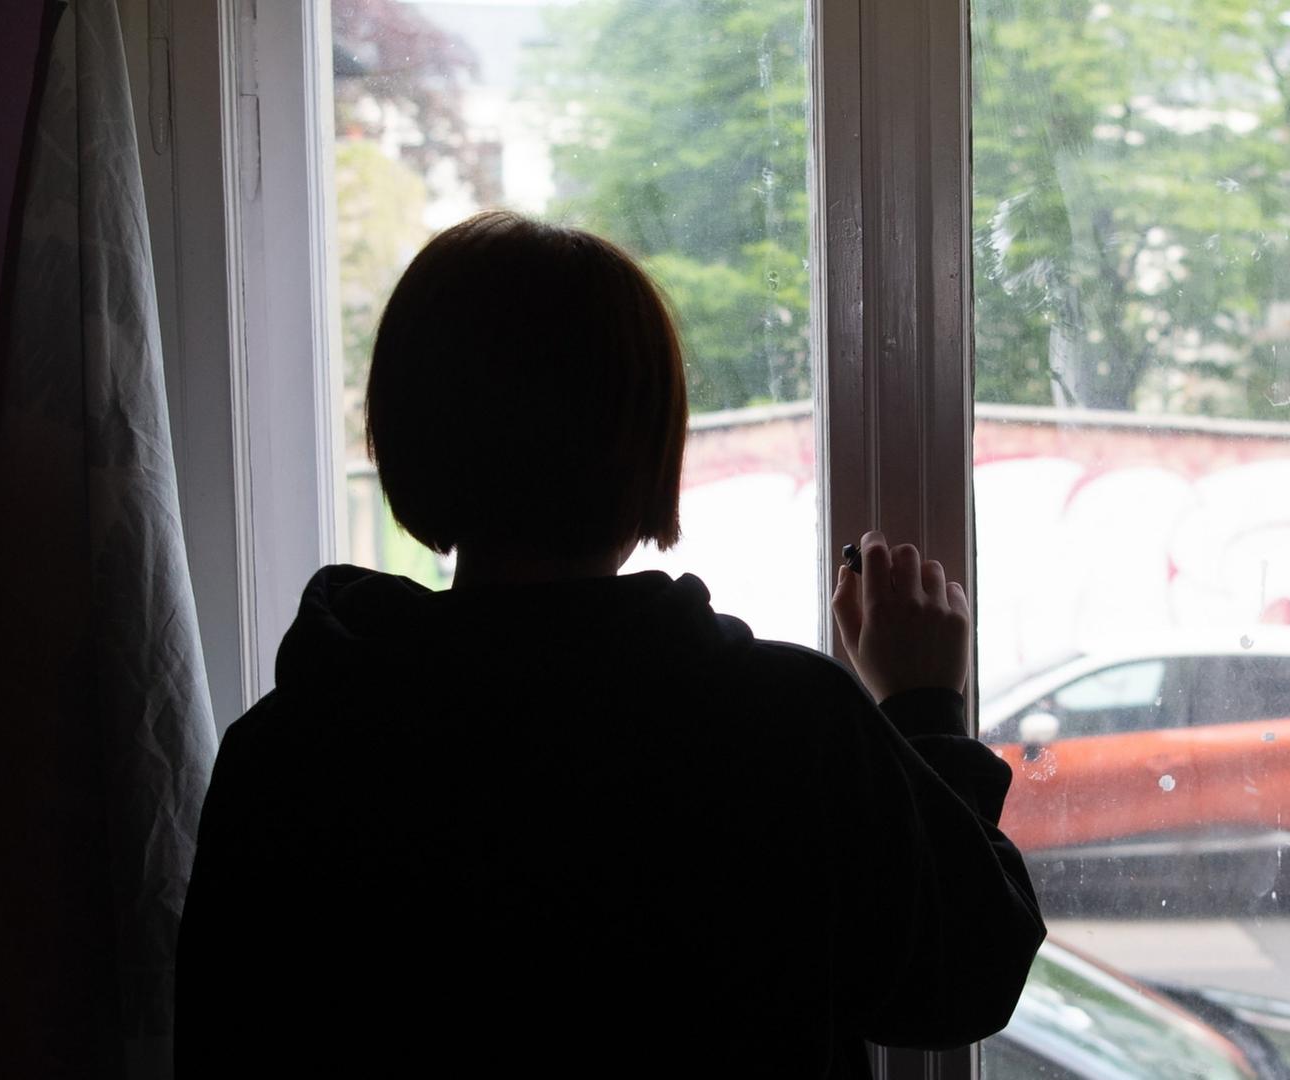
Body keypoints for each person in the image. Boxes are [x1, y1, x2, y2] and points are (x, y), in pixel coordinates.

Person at [175, 211, 1045, 1077]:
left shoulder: (288, 754)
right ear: (646, 449)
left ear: (407, 435)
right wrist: (924, 707)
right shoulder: (784, 728)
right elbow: (964, 979)